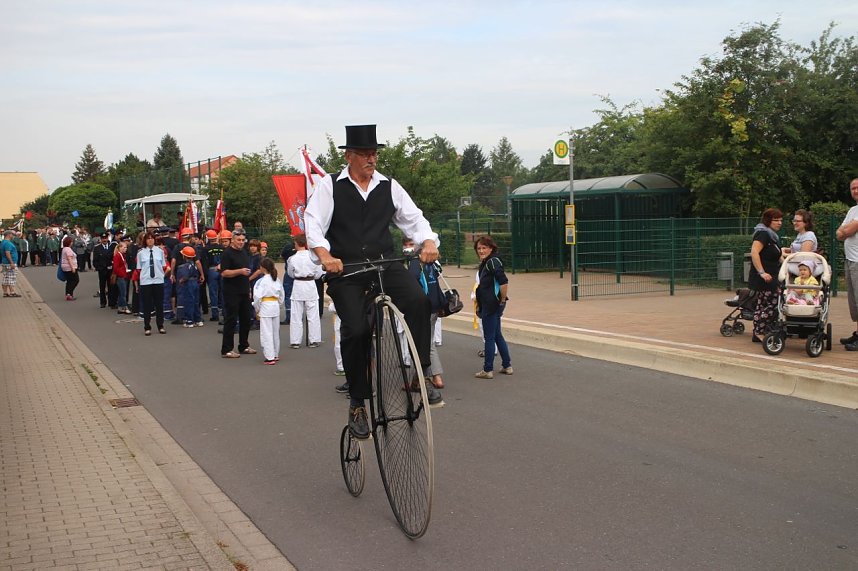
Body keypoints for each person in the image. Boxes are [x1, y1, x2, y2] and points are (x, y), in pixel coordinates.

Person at [304, 124, 443, 440]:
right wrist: (325, 255)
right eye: (365, 154)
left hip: (384, 264)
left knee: (420, 303)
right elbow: (313, 224)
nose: (371, 159)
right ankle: (357, 403)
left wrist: (428, 241)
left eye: (374, 153)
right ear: (349, 156)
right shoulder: (330, 187)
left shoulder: (389, 186)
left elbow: (415, 219)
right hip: (347, 270)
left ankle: (421, 372)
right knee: (356, 329)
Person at [404, 238, 446, 389]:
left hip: (422, 307)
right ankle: (417, 379)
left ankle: (436, 376)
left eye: (411, 245)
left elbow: (412, 281)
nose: (408, 248)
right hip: (434, 305)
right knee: (424, 342)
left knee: (425, 344)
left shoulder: (415, 263)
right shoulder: (431, 263)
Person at [473, 235, 513, 378]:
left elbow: (503, 281)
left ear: (491, 248)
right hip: (491, 304)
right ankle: (507, 365)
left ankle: (487, 369)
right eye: (479, 248)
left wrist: (502, 299)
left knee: (489, 337)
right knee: (497, 335)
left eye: (484, 248)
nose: (481, 250)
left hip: (491, 305)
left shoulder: (492, 262)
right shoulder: (488, 262)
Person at [748, 208, 784, 343]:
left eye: (781, 220)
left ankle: (760, 331)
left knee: (764, 304)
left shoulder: (772, 236)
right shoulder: (763, 234)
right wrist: (762, 272)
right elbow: (754, 252)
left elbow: (776, 255)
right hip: (765, 278)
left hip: (772, 276)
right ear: (768, 220)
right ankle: (759, 331)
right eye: (776, 220)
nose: (779, 223)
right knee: (771, 303)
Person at [220, 230, 256, 358]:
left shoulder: (244, 253)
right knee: (231, 320)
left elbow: (247, 273)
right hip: (231, 291)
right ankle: (227, 349)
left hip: (244, 290)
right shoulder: (227, 254)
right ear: (233, 240)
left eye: (243, 240)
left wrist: (249, 289)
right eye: (238, 240)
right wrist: (240, 271)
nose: (241, 242)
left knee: (246, 319)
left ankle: (244, 346)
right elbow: (224, 273)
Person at [286, 234, 324, 349]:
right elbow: (318, 274)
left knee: (296, 315)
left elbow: (290, 273)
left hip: (298, 285)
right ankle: (314, 340)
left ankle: (295, 341)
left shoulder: (292, 259)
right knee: (313, 314)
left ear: (296, 243)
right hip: (310, 285)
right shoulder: (313, 257)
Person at [836, 178, 858, 351]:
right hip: (850, 260)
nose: (855, 191)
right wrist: (844, 231)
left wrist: (845, 231)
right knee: (854, 302)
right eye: (853, 188)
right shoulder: (852, 210)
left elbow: (847, 231)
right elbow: (839, 233)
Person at [136, 232, 167, 335]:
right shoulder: (141, 253)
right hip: (146, 281)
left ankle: (160, 325)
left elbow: (163, 265)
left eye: (152, 238)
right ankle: (147, 326)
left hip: (158, 280)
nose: (150, 240)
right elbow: (139, 268)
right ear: (145, 240)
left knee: (159, 304)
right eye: (148, 239)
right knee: (147, 305)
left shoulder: (160, 251)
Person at [253, 258, 283, 364]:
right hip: (275, 305)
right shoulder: (276, 279)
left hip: (265, 305)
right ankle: (275, 354)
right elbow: (282, 295)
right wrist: (279, 304)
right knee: (275, 331)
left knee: (266, 332)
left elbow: (257, 297)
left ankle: (269, 357)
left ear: (262, 268)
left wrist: (257, 308)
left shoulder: (261, 281)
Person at [175, 246, 204, 327]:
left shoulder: (185, 266)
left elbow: (185, 276)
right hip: (195, 282)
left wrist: (181, 280)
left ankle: (189, 321)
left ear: (184, 256)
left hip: (189, 284)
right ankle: (198, 320)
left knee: (189, 301)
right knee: (196, 302)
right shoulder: (194, 264)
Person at [204, 229, 224, 322]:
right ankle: (224, 311)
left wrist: (205, 274)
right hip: (222, 270)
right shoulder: (222, 247)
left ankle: (215, 315)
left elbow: (205, 262)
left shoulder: (206, 249)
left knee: (213, 293)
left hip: (211, 270)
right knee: (223, 291)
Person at [92, 232, 114, 308]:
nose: (104, 240)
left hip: (110, 270)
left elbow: (114, 258)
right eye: (103, 238)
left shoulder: (112, 247)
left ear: (108, 238)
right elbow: (95, 261)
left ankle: (111, 302)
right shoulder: (97, 248)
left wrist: (112, 266)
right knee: (102, 286)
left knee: (111, 286)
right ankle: (103, 302)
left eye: (105, 238)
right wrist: (99, 268)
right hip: (102, 270)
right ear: (101, 239)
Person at [112, 241, 132, 314]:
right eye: (124, 247)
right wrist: (122, 273)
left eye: (126, 247)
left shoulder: (122, 255)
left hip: (124, 275)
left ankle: (120, 307)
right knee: (123, 293)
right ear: (120, 248)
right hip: (121, 276)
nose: (126, 249)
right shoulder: (118, 255)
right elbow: (116, 267)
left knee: (122, 293)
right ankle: (124, 306)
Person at [1, 230, 21, 297]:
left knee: (6, 277)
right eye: (12, 234)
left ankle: (5, 292)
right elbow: (7, 253)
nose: (13, 235)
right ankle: (12, 292)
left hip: (5, 262)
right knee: (11, 277)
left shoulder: (3, 242)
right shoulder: (7, 243)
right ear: (9, 234)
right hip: (9, 263)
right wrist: (12, 262)